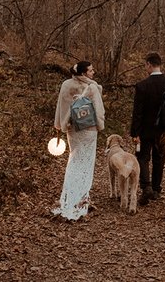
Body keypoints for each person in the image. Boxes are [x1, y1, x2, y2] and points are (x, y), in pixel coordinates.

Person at [52, 61, 105, 220]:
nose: (93, 72)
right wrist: (100, 125)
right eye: (90, 70)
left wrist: (59, 125)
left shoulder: (66, 85)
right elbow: (98, 109)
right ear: (83, 73)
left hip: (72, 129)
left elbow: (60, 107)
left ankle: (69, 196)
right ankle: (81, 198)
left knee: (74, 159)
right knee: (87, 163)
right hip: (88, 129)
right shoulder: (93, 87)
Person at [130, 52, 165, 206]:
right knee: (159, 158)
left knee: (143, 158)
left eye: (145, 65)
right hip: (164, 129)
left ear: (148, 64)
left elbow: (137, 112)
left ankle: (146, 187)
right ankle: (156, 190)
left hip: (146, 129)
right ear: (160, 64)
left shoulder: (142, 85)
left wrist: (135, 133)